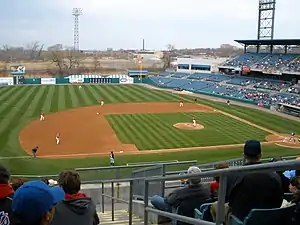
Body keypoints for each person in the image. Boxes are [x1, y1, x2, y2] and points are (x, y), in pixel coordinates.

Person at [211, 140, 283, 223]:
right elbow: (278, 201)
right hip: (267, 219)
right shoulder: (274, 175)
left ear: (244, 155)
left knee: (215, 206)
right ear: (260, 155)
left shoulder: (233, 175)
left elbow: (227, 199)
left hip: (239, 219)